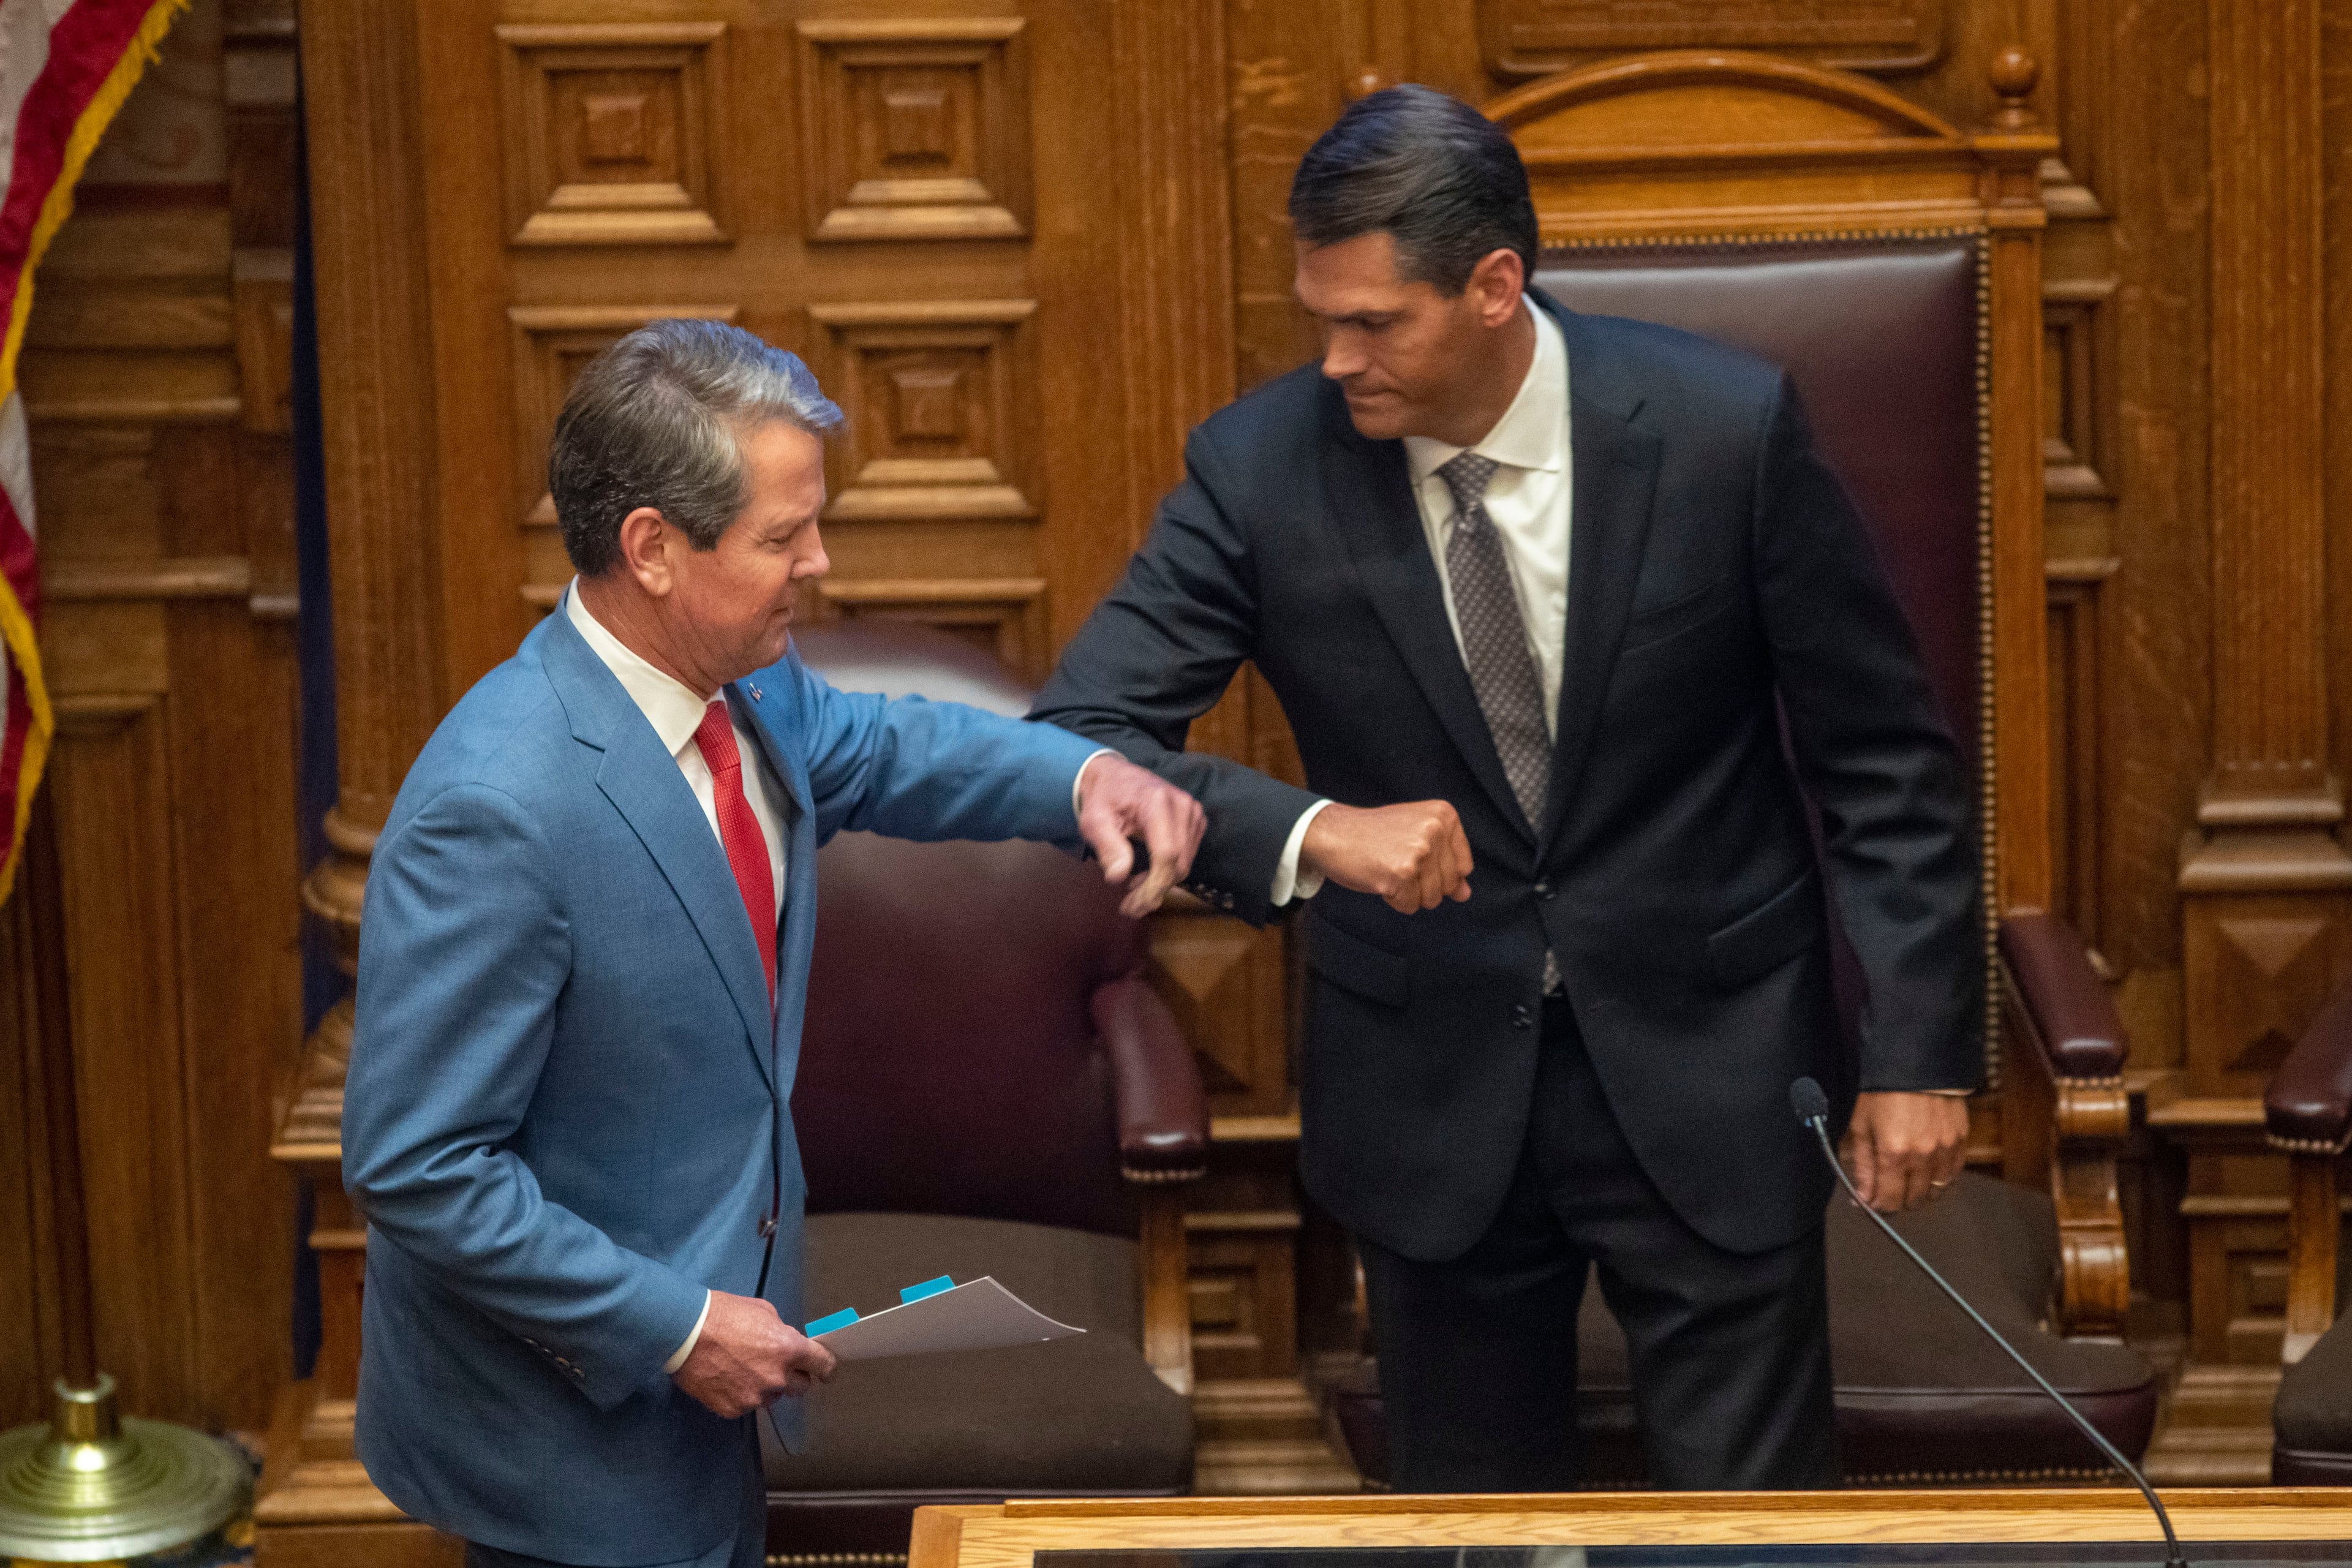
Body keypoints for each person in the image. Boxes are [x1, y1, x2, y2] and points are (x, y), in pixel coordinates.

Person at [1030, 86, 1981, 1491]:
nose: (1336, 359)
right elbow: (1083, 737)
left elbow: (1884, 757)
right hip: (1428, 1085)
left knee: (1756, 1532)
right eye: (1321, 318)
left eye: (1374, 322)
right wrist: (1306, 831)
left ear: (1493, 285)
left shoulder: (1726, 432)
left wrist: (1916, 1050)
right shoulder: (1261, 468)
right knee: (1474, 1526)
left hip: (1711, 1053)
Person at [341, 319, 1205, 1568]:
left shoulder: (743, 685)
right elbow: (419, 1166)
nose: (820, 560)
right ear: (652, 548)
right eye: (781, 535)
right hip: (573, 1432)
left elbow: (899, 745)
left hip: (714, 1382)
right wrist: (679, 1323)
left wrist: (1083, 779)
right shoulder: (497, 805)